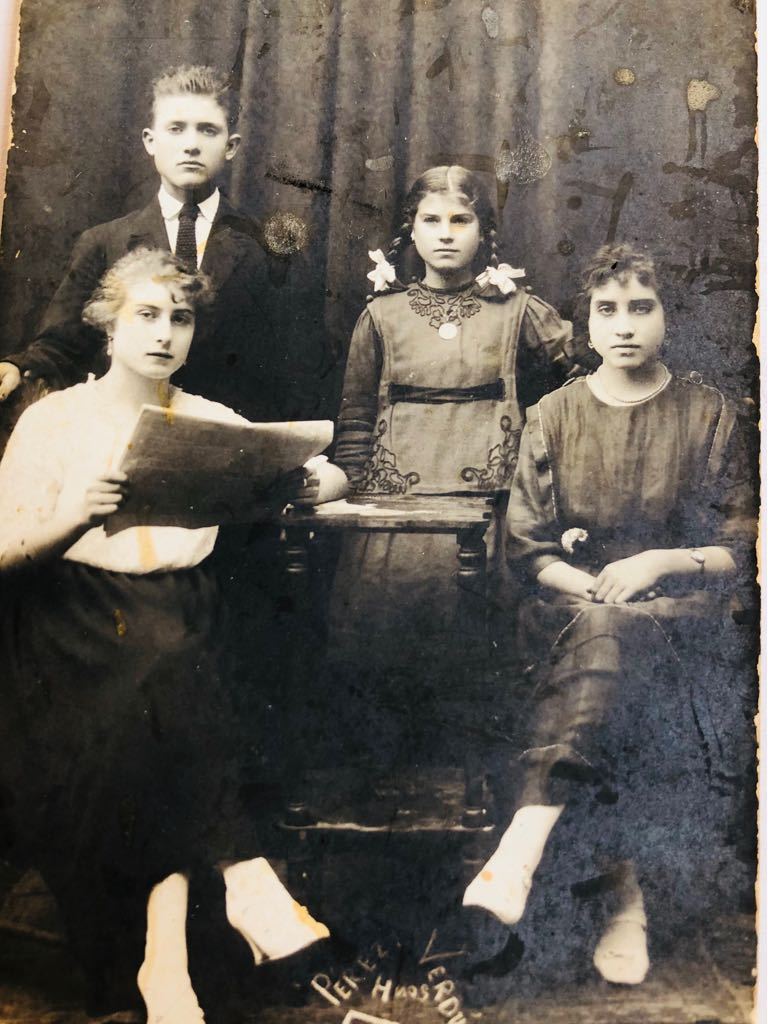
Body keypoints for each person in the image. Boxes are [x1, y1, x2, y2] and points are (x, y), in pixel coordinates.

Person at [0, 248, 337, 1023]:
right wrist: (73, 516)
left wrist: (311, 480)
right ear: (106, 325)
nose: (163, 334)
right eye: (146, 315)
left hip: (179, 613)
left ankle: (165, 961)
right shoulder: (55, 419)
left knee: (168, 667)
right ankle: (246, 876)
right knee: (166, 665)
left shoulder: (211, 420)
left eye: (180, 319)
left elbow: (324, 475)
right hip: (73, 622)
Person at [462, 244, 753, 984]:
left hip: (681, 619)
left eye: (641, 308)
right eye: (607, 310)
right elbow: (528, 550)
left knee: (615, 646)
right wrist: (595, 588)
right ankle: (626, 901)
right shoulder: (553, 416)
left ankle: (525, 853)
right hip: (572, 616)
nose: (624, 325)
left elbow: (741, 550)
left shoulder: (711, 415)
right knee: (602, 632)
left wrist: (657, 563)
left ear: (668, 317)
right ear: (586, 323)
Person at [323, 165, 588, 787]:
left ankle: (478, 787)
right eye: (432, 220)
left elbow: (584, 389)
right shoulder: (381, 315)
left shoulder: (518, 310)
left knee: (479, 655)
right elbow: (355, 419)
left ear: (484, 233)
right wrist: (348, 489)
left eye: (461, 220)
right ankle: (386, 786)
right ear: (411, 231)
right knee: (383, 649)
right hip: (393, 517)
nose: (446, 234)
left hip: (489, 513)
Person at [0, 64, 287, 422]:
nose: (191, 145)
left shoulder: (265, 250)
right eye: (176, 129)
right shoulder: (104, 242)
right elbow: (61, 346)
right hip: (122, 431)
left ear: (231, 147)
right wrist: (19, 366)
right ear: (150, 141)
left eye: (207, 130)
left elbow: (290, 370)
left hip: (224, 437)